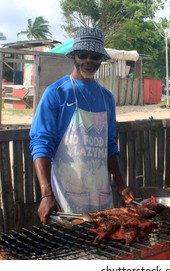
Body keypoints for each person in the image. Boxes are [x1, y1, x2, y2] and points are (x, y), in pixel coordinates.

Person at [30, 27, 134, 224]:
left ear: (101, 59)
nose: (89, 60)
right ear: (74, 56)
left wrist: (121, 185)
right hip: (66, 197)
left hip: (100, 195)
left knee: (105, 246)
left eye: (94, 55)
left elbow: (110, 145)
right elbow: (40, 143)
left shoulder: (106, 98)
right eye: (83, 54)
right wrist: (46, 194)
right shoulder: (57, 93)